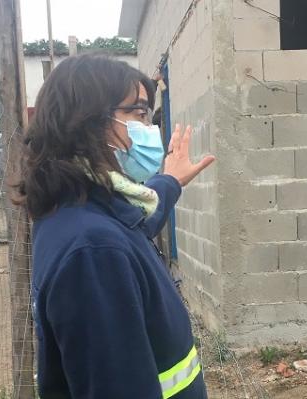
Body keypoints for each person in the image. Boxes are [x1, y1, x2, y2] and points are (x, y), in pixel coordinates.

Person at [18, 54, 214, 398]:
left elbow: (137, 224)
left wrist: (170, 181)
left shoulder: (85, 209)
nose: (150, 129)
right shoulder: (94, 250)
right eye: (138, 114)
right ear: (88, 123)